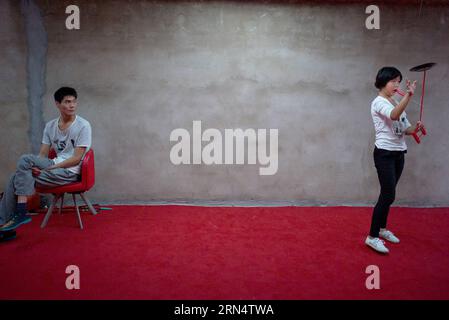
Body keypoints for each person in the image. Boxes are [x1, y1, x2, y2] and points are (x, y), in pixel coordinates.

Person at [0, 87, 92, 232]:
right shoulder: (50, 126)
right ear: (57, 104)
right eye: (67, 102)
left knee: (15, 178)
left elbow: (76, 159)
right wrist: (39, 166)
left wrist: (48, 168)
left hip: (70, 172)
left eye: (74, 102)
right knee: (25, 160)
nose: (72, 105)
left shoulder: (83, 125)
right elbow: (42, 154)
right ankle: (12, 219)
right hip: (53, 164)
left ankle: (12, 217)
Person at [365, 67, 425, 254]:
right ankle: (372, 237)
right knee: (388, 195)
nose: (396, 85)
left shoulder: (395, 100)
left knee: (388, 194)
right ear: (383, 81)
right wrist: (409, 96)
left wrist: (415, 128)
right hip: (384, 153)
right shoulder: (378, 102)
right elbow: (393, 115)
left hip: (399, 153)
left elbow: (405, 128)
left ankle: (382, 230)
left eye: (398, 81)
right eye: (393, 81)